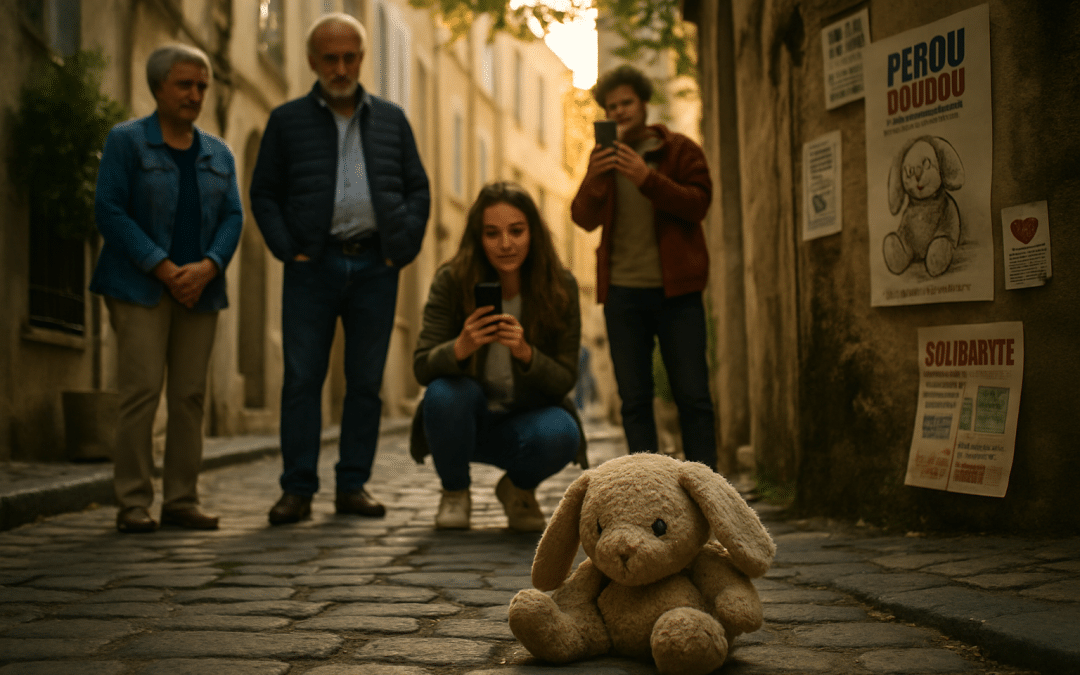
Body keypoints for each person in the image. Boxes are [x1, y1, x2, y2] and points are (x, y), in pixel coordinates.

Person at [250, 13, 430, 525]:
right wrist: (289, 249)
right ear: (312, 62)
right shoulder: (286, 121)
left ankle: (353, 486)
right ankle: (297, 489)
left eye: (350, 57)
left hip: (377, 264)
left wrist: (404, 244)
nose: (341, 67)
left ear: (361, 59)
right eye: (330, 58)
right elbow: (264, 193)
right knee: (302, 379)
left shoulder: (392, 120)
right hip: (312, 265)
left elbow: (418, 188)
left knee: (365, 382)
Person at [91, 44, 242, 533]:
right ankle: (133, 502)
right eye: (185, 84)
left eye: (202, 86)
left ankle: (181, 499)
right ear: (158, 87)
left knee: (190, 396)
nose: (195, 94)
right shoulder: (127, 142)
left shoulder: (219, 152)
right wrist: (161, 266)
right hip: (139, 288)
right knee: (140, 393)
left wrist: (209, 266)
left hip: (201, 291)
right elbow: (110, 210)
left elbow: (233, 217)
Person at [410, 182, 585, 532]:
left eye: (516, 231)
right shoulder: (452, 280)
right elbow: (422, 364)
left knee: (563, 433)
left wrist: (525, 353)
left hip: (525, 421)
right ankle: (455, 491)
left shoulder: (560, 287)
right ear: (479, 237)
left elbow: (566, 377)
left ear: (532, 233)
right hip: (462, 421)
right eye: (492, 233)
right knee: (445, 393)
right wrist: (461, 347)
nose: (506, 244)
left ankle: (519, 490)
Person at [570, 64, 718, 469]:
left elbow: (698, 204)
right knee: (634, 401)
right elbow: (582, 217)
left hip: (678, 293)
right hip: (623, 294)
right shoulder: (603, 160)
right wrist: (595, 177)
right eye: (612, 106)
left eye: (627, 103)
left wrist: (646, 178)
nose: (619, 111)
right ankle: (647, 487)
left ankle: (709, 488)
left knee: (693, 395)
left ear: (644, 103)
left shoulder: (680, 151)